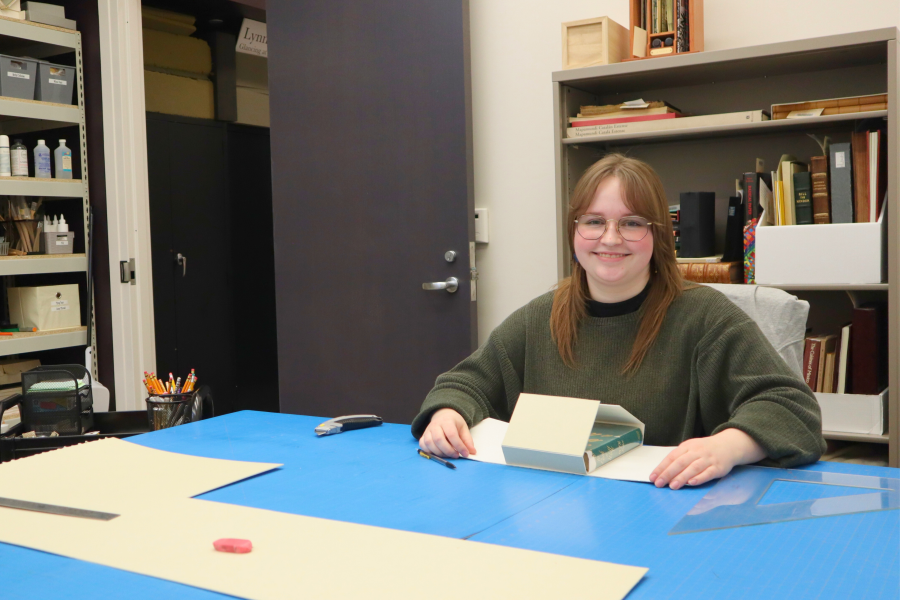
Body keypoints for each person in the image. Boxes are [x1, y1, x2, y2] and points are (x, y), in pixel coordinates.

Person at [411, 153, 825, 490]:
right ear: (574, 232)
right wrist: (448, 413)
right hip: (554, 509)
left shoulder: (706, 318)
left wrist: (727, 447)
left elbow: (793, 410)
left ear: (658, 234)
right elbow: (465, 383)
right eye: (594, 221)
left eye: (631, 223)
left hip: (668, 508)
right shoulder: (541, 316)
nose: (610, 238)